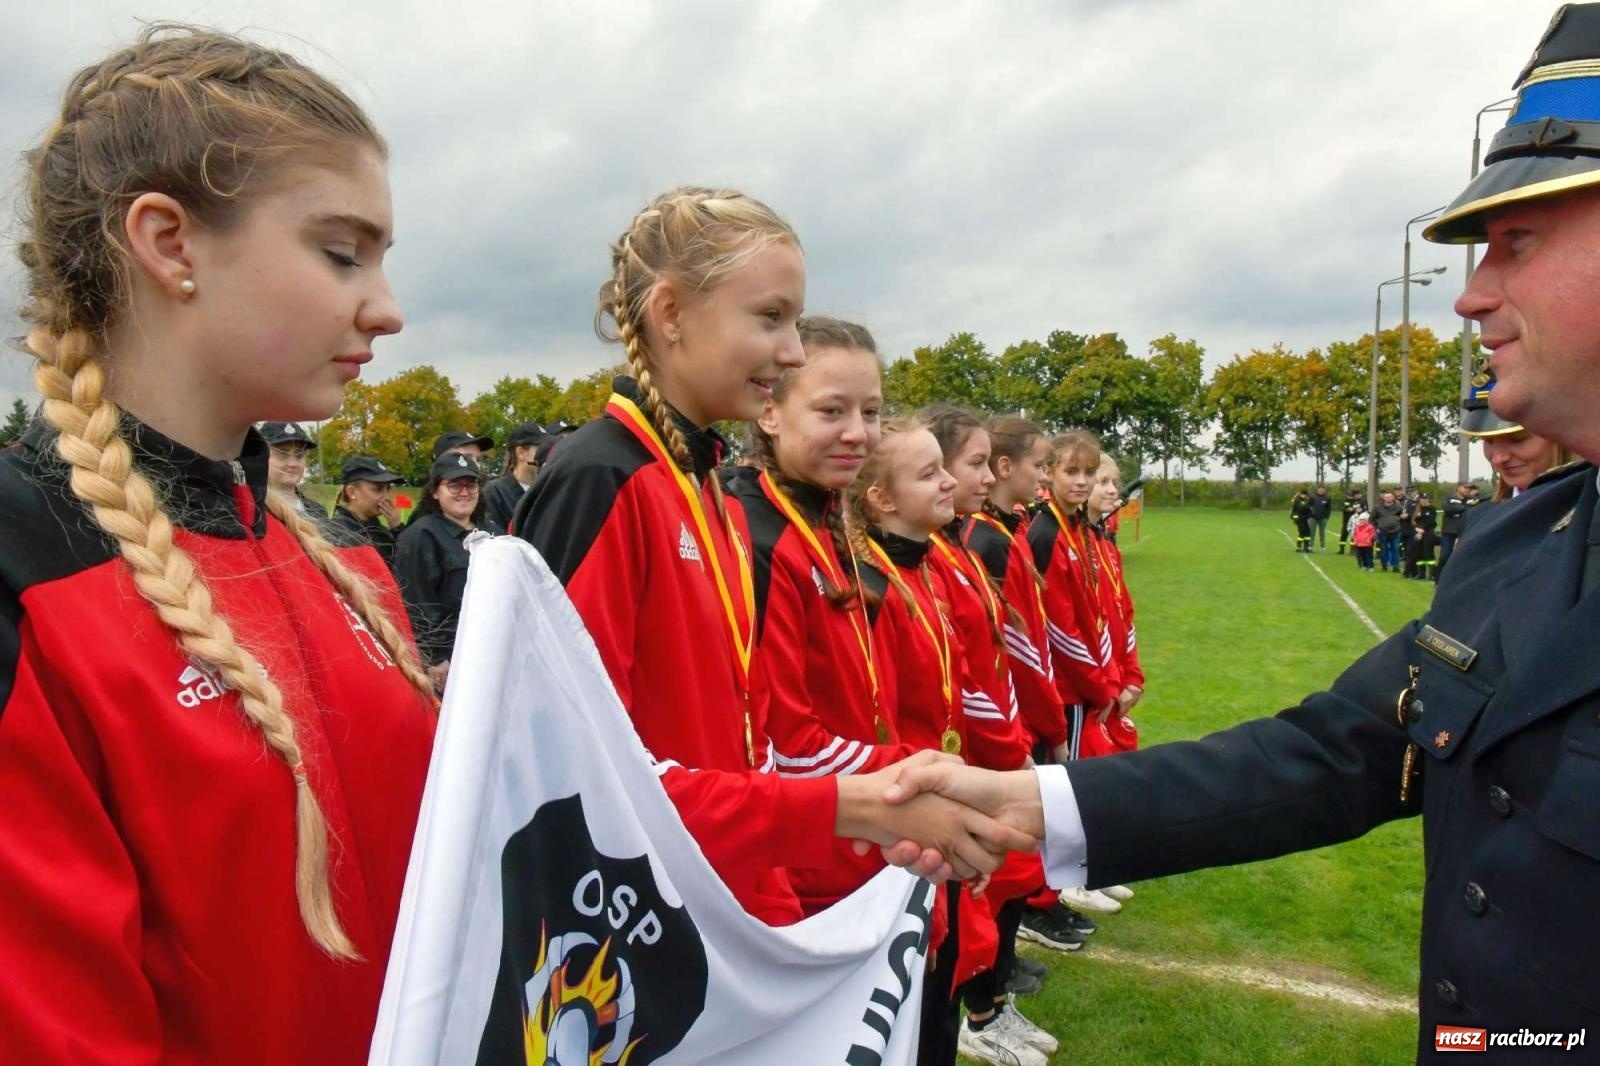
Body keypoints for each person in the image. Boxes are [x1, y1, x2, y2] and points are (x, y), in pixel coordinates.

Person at [881, 8, 1600, 1055]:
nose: (1470, 296)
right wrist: (1031, 799)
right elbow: (1330, 756)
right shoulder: (1514, 547)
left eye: (1516, 243)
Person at [0, 26, 440, 1063]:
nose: (386, 308)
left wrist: (827, 809)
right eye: (341, 252)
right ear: (168, 242)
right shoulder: (25, 573)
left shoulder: (341, 562)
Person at [509, 187, 1029, 930]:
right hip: (644, 908)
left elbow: (741, 740)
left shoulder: (704, 487)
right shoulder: (605, 478)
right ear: (671, 314)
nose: (790, 353)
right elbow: (574, 768)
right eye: (770, 318)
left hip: (729, 885)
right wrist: (859, 806)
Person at [728, 315, 923, 917]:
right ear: (769, 412)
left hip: (863, 838)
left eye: (871, 411)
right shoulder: (757, 536)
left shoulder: (824, 517)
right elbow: (785, 743)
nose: (858, 434)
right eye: (831, 411)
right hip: (812, 860)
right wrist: (918, 774)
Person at [394, 452, 502, 692]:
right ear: (435, 491)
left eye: (471, 484)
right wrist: (435, 658)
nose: (464, 492)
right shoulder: (420, 537)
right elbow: (416, 602)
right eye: (454, 485)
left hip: (496, 648)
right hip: (453, 656)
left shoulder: (493, 530)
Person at [327, 455, 403, 568]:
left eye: (387, 489)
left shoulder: (380, 531)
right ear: (352, 492)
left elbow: (406, 566)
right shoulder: (337, 533)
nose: (386, 496)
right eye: (378, 489)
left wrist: (398, 529)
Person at [262, 420, 329, 520]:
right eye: (282, 454)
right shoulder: (254, 512)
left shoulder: (318, 512)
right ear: (262, 457)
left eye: (299, 455)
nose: (293, 464)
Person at [483, 421, 544, 531]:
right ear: (521, 453)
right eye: (541, 449)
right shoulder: (495, 492)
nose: (547, 455)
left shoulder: (549, 489)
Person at [1438, 483, 1474, 570]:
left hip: (1464, 531)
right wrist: (1464, 508)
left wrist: (1458, 508)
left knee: (1462, 555)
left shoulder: (1471, 499)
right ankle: (1439, 577)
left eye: (1469, 488)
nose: (1467, 489)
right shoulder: (1449, 498)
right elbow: (1448, 509)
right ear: (1458, 488)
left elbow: (1473, 510)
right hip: (1449, 530)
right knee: (1445, 555)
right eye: (1465, 487)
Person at [1370, 489, 1403, 572]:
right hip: (1382, 531)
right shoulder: (1377, 507)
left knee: (1395, 549)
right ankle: (1384, 565)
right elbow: (1372, 519)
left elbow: (1402, 516)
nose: (1388, 498)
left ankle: (1395, 566)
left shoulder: (1398, 506)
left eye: (1390, 497)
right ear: (1384, 498)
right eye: (1386, 497)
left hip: (1396, 531)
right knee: (1383, 549)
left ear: (1393, 497)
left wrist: (1400, 523)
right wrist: (1375, 528)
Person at [1338, 486, 1366, 554]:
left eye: (1356, 494)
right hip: (1346, 520)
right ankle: (1341, 549)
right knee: (1343, 534)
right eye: (1353, 494)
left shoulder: (1362, 501)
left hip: (1356, 521)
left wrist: (1353, 509)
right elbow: (1345, 508)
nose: (1353, 496)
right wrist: (1351, 509)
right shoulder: (1348, 501)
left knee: (1354, 535)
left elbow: (1362, 510)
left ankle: (1352, 550)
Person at [1308, 484, 1333, 552]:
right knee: (1311, 532)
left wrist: (1327, 517)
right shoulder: (1313, 497)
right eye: (1320, 489)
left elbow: (1329, 508)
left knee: (1322, 533)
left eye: (1322, 490)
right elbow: (1308, 506)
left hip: (1323, 518)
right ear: (1317, 490)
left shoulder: (1327, 498)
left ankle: (1323, 546)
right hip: (1313, 518)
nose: (1321, 491)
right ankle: (1310, 546)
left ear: (1324, 490)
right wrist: (1310, 514)